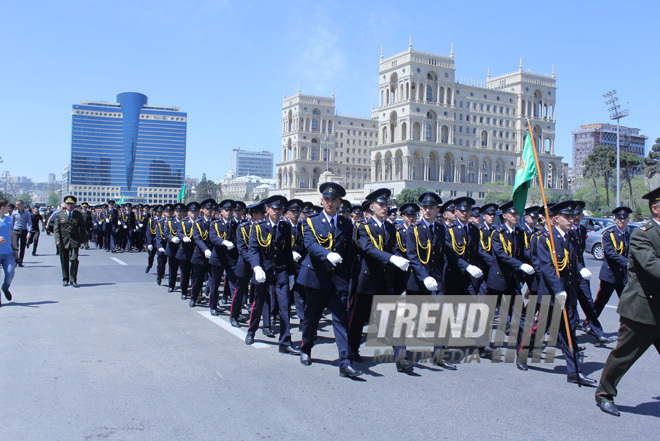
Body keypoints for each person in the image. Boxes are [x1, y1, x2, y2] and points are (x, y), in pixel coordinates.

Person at [595, 187, 660, 416]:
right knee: (623, 356)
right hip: (642, 310)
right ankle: (604, 393)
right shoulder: (644, 234)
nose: (623, 220)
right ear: (655, 207)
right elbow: (652, 266)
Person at [297, 182, 363, 378]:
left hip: (337, 280)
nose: (330, 202)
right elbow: (310, 245)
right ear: (322, 200)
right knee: (311, 318)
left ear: (339, 202)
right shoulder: (311, 221)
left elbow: (350, 252)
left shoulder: (346, 224)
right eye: (327, 199)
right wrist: (327, 254)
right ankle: (306, 348)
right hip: (316, 278)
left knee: (340, 321)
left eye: (334, 199)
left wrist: (349, 275)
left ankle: (344, 362)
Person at [535, 200, 597, 386]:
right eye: (567, 217)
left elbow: (573, 260)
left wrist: (580, 269)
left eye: (573, 216)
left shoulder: (571, 237)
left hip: (568, 293)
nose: (572, 219)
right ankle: (523, 354)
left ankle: (574, 371)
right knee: (539, 329)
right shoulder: (546, 239)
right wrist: (558, 290)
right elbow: (547, 269)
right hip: (551, 294)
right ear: (556, 219)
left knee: (569, 331)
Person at [349, 188, 411, 372]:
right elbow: (368, 249)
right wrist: (391, 258)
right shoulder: (362, 227)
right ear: (372, 207)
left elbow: (394, 249)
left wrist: (399, 260)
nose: (384, 208)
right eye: (381, 205)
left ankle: (401, 357)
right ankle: (352, 350)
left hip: (385, 280)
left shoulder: (391, 227)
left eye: (386, 205)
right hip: (366, 280)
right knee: (358, 318)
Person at [246, 195, 299, 354]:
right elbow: (253, 249)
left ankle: (285, 341)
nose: (277, 211)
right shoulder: (258, 227)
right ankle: (251, 331)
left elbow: (287, 252)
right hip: (264, 270)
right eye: (274, 208)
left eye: (280, 209)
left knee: (284, 306)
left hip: (281, 271)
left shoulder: (285, 227)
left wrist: (291, 273)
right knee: (258, 304)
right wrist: (256, 267)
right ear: (267, 210)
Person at [53, 195, 87, 287]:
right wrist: (57, 240)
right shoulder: (60, 215)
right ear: (65, 204)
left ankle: (73, 279)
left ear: (74, 204)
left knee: (74, 259)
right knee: (64, 260)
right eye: (68, 204)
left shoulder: (78, 215)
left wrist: (84, 240)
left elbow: (83, 228)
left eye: (71, 204)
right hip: (63, 241)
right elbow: (56, 229)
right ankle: (65, 279)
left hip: (75, 240)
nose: (70, 205)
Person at [0, 198, 16, 305]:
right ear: (2, 208)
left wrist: (16, 250)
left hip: (8, 253)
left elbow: (12, 235)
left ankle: (5, 288)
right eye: (7, 207)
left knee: (10, 273)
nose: (8, 208)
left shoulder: (9, 219)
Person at [11, 199, 31, 267]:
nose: (16, 206)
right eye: (16, 204)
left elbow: (29, 223)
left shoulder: (27, 213)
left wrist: (29, 232)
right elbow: (12, 222)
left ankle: (20, 261)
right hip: (16, 231)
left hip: (23, 231)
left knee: (23, 247)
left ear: (22, 205)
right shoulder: (14, 213)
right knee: (15, 246)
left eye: (18, 204)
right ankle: (15, 260)